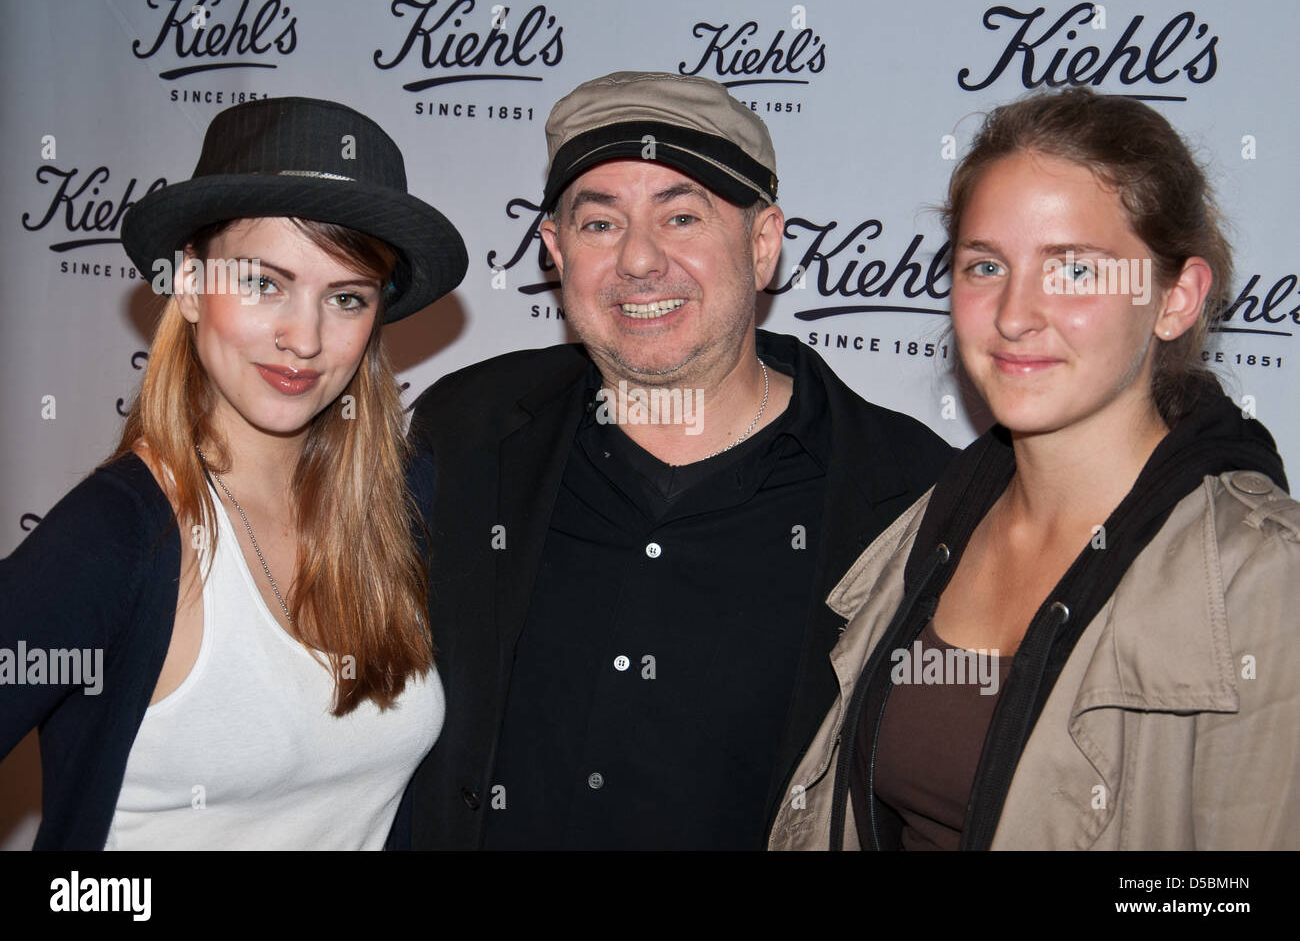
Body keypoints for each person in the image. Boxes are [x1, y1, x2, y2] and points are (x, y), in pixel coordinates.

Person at [405, 70, 955, 849]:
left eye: (683, 216)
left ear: (763, 244)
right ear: (555, 251)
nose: (638, 260)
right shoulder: (467, 431)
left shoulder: (910, 494)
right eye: (600, 224)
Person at [768, 87, 1300, 851]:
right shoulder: (929, 523)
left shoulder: (1262, 575)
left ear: (1175, 298)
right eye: (985, 265)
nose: (1015, 314)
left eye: (1074, 270)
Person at [0, 96, 468, 849]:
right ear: (190, 283)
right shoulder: (118, 536)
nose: (303, 337)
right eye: (263, 283)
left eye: (345, 297)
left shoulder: (402, 510)